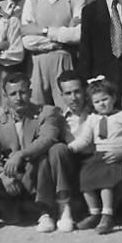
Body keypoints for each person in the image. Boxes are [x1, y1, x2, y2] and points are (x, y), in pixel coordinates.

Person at [0, 73, 63, 230]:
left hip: (37, 171)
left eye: (23, 92)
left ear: (30, 93)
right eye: (13, 94)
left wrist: (21, 154)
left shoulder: (46, 112)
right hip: (13, 174)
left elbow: (48, 138)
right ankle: (14, 211)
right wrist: (3, 176)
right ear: (5, 97)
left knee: (44, 156)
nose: (18, 98)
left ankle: (45, 212)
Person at [67, 78, 122, 234]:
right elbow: (85, 139)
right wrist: (70, 148)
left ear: (114, 98)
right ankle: (94, 213)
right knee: (85, 179)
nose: (101, 104)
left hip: (117, 157)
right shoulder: (93, 119)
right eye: (96, 102)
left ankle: (107, 215)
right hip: (99, 156)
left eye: (105, 99)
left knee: (105, 182)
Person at [21, 0, 85, 108]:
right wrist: (61, 38)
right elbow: (27, 41)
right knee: (37, 111)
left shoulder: (75, 0)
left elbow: (78, 35)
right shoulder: (32, 2)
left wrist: (42, 30)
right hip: (38, 65)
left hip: (65, 63)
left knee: (68, 111)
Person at [36, 70, 92, 233]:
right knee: (55, 150)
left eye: (77, 92)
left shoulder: (97, 110)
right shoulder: (58, 116)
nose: (73, 98)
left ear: (84, 90)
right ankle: (61, 207)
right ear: (61, 95)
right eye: (68, 93)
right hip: (68, 166)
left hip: (93, 162)